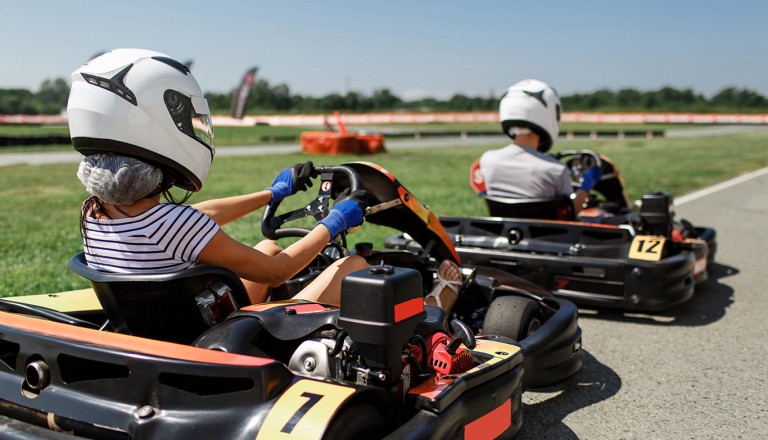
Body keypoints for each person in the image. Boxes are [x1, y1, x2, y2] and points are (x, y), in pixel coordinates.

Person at [69, 48, 461, 312]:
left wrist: (270, 194)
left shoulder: (94, 214)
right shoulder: (174, 225)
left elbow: (197, 216)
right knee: (353, 265)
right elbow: (275, 275)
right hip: (220, 347)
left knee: (270, 244)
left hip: (166, 328)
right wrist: (332, 224)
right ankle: (437, 303)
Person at [471, 79, 602, 213]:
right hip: (547, 233)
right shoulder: (556, 169)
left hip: (503, 231)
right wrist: (586, 186)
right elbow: (570, 212)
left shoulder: (487, 160)